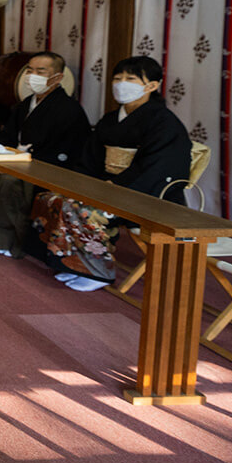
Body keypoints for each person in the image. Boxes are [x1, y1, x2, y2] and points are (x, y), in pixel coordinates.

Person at [32, 55, 192, 291]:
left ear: (152, 86)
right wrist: (84, 185)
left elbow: (158, 167)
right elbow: (90, 158)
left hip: (146, 195)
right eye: (118, 78)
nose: (121, 84)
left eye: (131, 79)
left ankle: (96, 272)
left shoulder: (164, 123)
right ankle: (71, 263)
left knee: (85, 210)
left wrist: (115, 188)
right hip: (107, 188)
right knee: (51, 198)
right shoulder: (110, 120)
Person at [0, 51, 91, 257]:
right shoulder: (25, 104)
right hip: (15, 160)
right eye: (30, 70)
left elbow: (65, 152)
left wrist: (20, 162)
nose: (32, 76)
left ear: (57, 77)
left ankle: (6, 240)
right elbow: (7, 137)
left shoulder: (69, 110)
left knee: (8, 181)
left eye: (40, 72)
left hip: (44, 168)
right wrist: (0, 156)